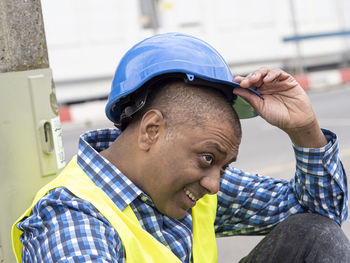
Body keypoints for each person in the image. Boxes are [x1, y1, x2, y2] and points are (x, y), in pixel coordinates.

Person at [12, 33, 349, 262]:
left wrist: (305, 131)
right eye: (207, 158)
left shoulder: (191, 187)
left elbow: (322, 218)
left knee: (311, 233)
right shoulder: (72, 219)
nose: (214, 183)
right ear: (151, 130)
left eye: (223, 166)